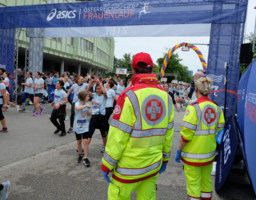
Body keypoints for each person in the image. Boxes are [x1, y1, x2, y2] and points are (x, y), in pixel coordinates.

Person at [101, 52, 174, 200]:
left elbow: (117, 135)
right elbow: (168, 133)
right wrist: (165, 158)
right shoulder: (166, 97)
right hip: (153, 165)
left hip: (128, 167)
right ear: (152, 69)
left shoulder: (128, 95)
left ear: (133, 70)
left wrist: (107, 164)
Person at [175, 77, 225, 200]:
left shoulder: (194, 108)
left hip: (193, 155)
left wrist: (179, 150)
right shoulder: (217, 108)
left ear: (196, 90)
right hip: (209, 154)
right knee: (206, 182)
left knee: (193, 185)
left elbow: (186, 135)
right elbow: (219, 130)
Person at [86, 78, 108, 153]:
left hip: (101, 117)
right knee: (89, 133)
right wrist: (90, 83)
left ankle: (104, 146)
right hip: (93, 117)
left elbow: (104, 92)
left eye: (99, 89)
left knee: (103, 134)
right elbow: (86, 92)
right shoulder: (94, 95)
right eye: (96, 89)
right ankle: (85, 148)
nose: (98, 90)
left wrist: (100, 83)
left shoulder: (104, 96)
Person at [73, 91, 91, 166]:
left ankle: (85, 158)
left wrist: (89, 113)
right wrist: (85, 106)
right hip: (77, 125)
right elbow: (77, 108)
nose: (88, 97)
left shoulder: (87, 104)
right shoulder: (77, 103)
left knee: (85, 141)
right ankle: (80, 155)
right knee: (79, 142)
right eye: (87, 96)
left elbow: (88, 114)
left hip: (85, 125)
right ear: (83, 97)